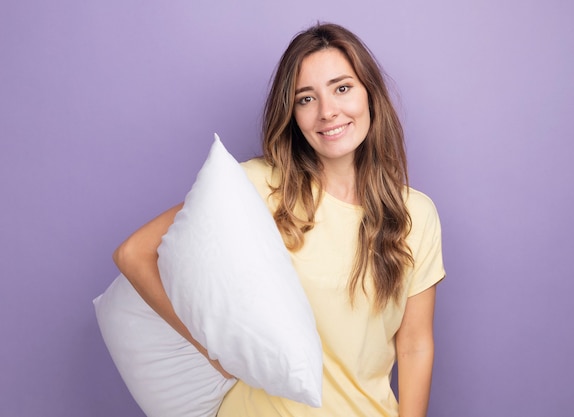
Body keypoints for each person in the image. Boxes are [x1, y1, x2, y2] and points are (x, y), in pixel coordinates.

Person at [113, 22, 445, 417]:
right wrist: (211, 348)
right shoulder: (260, 185)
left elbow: (414, 346)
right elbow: (134, 253)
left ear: (370, 94)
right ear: (292, 113)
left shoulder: (415, 216)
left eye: (342, 88)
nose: (327, 112)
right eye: (306, 98)